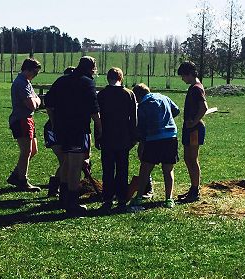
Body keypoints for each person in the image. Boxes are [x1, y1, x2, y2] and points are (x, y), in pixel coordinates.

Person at [45, 56, 102, 215]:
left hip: (61, 129)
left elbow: (48, 104)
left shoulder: (61, 81)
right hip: (78, 129)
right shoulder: (87, 82)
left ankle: (63, 197)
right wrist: (100, 129)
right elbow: (94, 111)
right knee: (75, 165)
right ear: (92, 68)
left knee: (66, 163)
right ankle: (72, 202)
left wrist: (54, 122)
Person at [130, 83, 180, 210]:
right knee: (168, 169)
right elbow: (176, 110)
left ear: (137, 97)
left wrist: (138, 140)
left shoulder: (142, 106)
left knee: (145, 168)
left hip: (153, 139)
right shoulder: (164, 97)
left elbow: (140, 126)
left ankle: (139, 197)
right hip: (170, 136)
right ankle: (169, 199)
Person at [97, 67, 138, 210]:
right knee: (122, 169)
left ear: (108, 78)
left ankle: (107, 198)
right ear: (121, 78)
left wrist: (98, 136)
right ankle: (121, 198)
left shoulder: (102, 95)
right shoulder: (129, 94)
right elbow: (134, 118)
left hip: (107, 137)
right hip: (123, 137)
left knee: (107, 169)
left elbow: (98, 118)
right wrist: (134, 137)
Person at [7, 58, 42, 191]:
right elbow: (33, 104)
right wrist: (37, 100)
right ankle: (23, 180)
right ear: (27, 69)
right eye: (34, 72)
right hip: (21, 120)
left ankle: (16, 175)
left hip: (28, 119)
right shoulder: (21, 83)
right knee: (26, 151)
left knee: (33, 150)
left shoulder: (27, 82)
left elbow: (36, 100)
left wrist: (36, 100)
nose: (35, 75)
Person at [177, 61, 208, 202]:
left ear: (189, 74)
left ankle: (195, 191)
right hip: (190, 129)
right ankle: (193, 188)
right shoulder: (194, 87)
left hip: (194, 130)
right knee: (187, 158)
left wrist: (194, 122)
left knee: (192, 158)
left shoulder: (196, 88)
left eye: (183, 76)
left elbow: (204, 107)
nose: (182, 79)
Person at [44, 66, 75, 197]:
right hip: (53, 129)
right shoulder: (58, 90)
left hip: (64, 129)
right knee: (65, 160)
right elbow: (49, 107)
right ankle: (57, 187)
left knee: (66, 160)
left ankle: (56, 186)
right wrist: (54, 123)